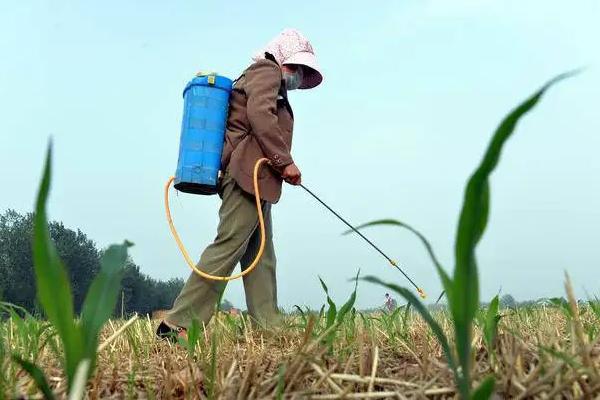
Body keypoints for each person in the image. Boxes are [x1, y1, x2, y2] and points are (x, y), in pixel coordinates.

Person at [157, 29, 323, 339]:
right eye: (299, 67)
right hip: (247, 175)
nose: (300, 76)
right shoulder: (265, 70)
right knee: (229, 246)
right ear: (284, 57)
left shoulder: (268, 79)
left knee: (260, 255)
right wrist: (284, 161)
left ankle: (268, 325)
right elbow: (260, 115)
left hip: (258, 179)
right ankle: (177, 324)